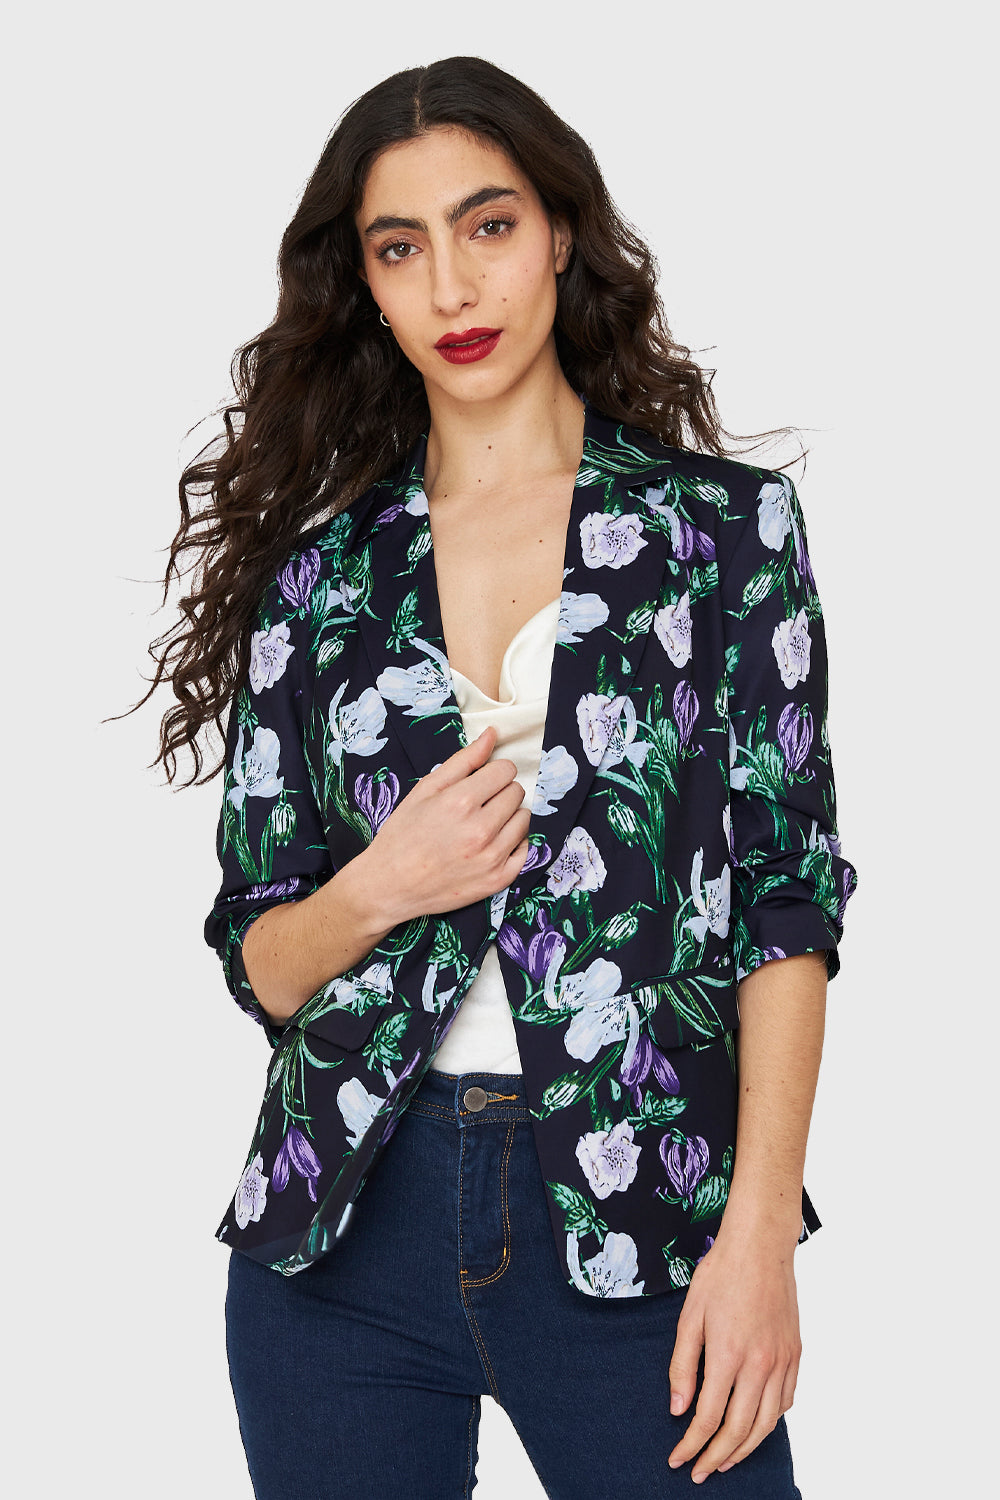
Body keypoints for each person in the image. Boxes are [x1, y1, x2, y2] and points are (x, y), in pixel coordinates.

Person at [144, 55, 857, 1500]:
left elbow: (786, 902)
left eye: (488, 226)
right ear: (365, 285)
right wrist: (382, 886)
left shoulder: (723, 534)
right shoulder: (320, 583)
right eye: (400, 248)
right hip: (345, 1235)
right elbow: (260, 963)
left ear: (561, 234)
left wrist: (759, 1237)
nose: (454, 287)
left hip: (642, 1210)